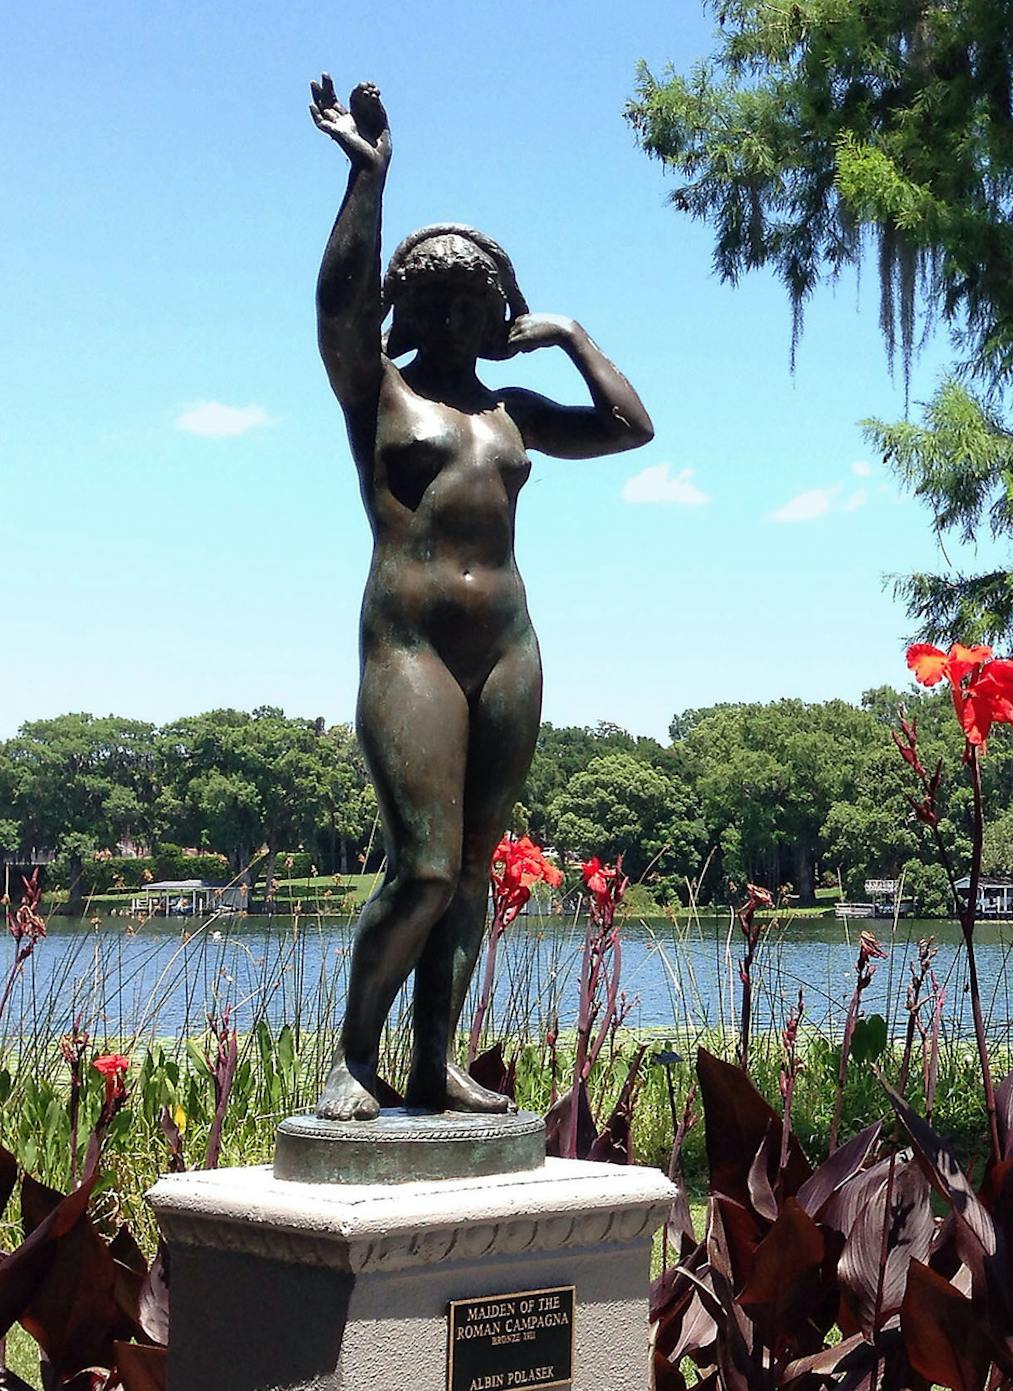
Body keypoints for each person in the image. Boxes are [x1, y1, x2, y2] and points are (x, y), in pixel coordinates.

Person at [307, 75, 654, 1119]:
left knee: (469, 870)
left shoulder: (512, 410)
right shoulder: (378, 389)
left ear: (498, 314)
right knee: (421, 868)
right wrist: (368, 181)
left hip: (507, 648)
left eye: (475, 300)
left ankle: (433, 1061)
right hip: (409, 646)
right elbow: (339, 308)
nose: (456, 314)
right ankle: (352, 1057)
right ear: (409, 308)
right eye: (438, 298)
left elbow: (630, 427)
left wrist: (570, 333)